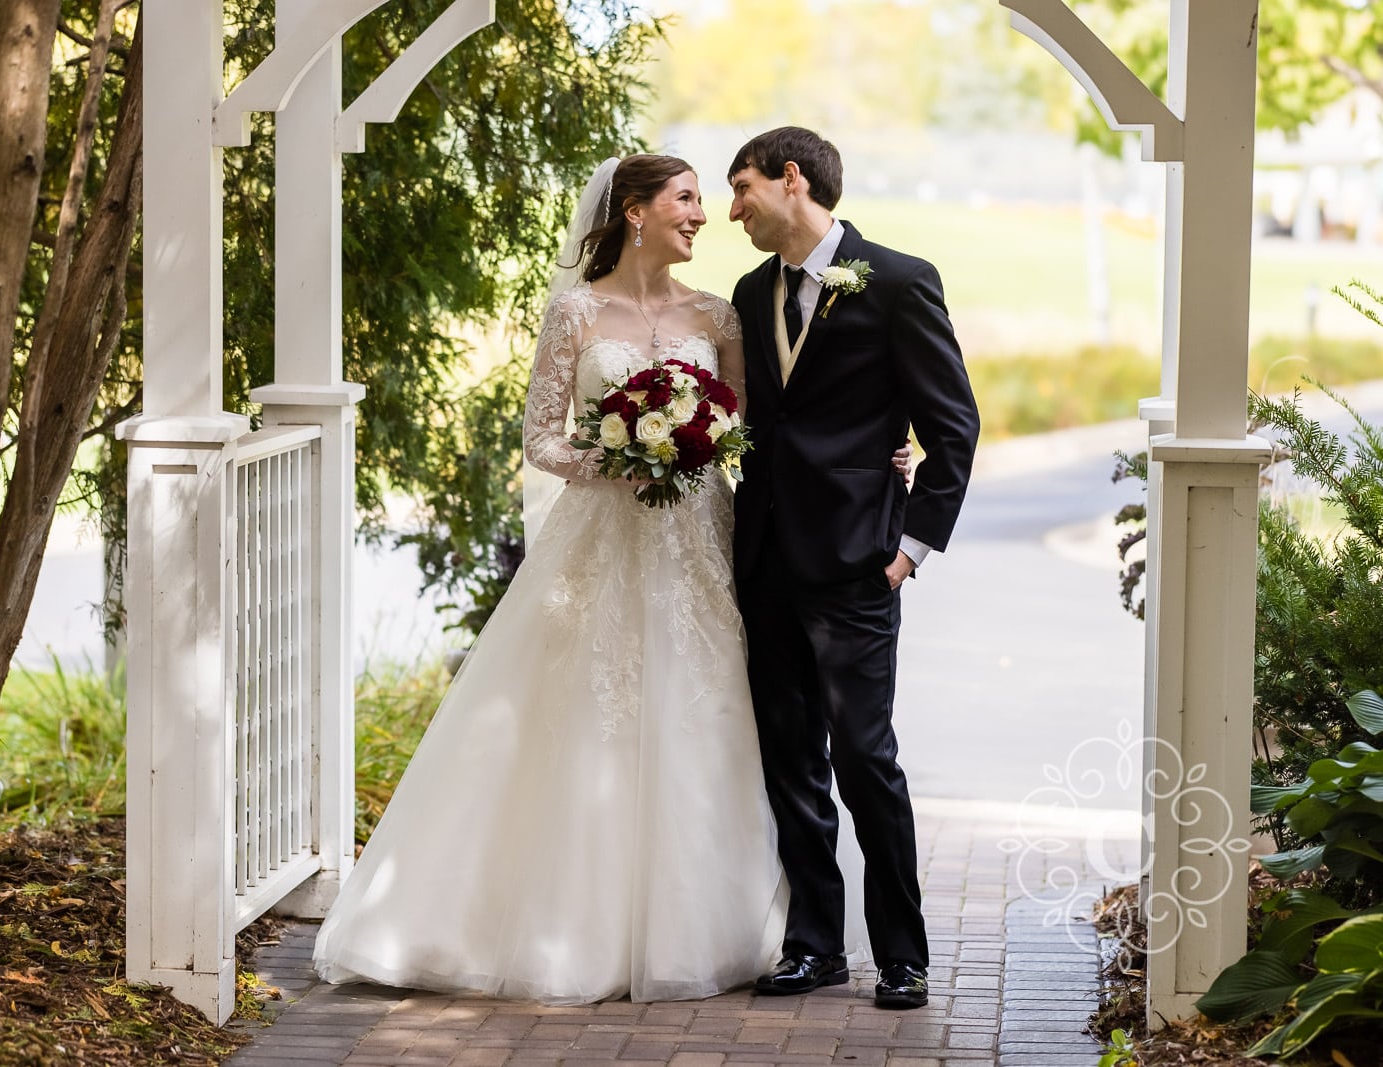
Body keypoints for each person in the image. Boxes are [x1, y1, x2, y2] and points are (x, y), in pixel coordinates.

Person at [311, 154, 904, 1004]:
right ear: (634, 211)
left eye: (710, 198)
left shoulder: (720, 311)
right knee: (584, 714)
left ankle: (736, 924)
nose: (704, 215)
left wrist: (886, 455)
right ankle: (559, 923)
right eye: (687, 199)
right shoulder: (575, 312)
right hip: (601, 538)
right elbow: (540, 440)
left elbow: (756, 425)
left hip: (699, 543)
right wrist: (615, 455)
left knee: (713, 715)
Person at [726, 128, 981, 1007]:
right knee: (791, 758)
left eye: (742, 189)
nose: (733, 212)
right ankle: (815, 945)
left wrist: (910, 549)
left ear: (791, 180)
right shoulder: (750, 291)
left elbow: (954, 426)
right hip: (763, 560)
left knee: (867, 757)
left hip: (859, 563)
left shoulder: (901, 280)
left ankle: (902, 954)